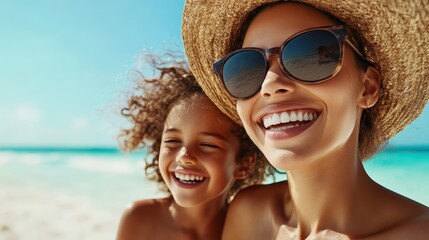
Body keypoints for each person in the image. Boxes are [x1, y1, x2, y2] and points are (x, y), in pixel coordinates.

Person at [182, 1, 429, 239]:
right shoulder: (248, 213)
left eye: (311, 54)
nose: (270, 84)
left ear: (367, 87)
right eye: (246, 69)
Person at [115, 55, 274, 240]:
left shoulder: (253, 231)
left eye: (207, 144)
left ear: (244, 164)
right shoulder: (138, 219)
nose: (184, 156)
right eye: (172, 141)